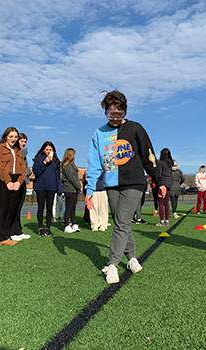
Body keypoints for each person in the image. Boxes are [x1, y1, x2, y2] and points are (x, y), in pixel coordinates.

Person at [85, 90, 166, 284]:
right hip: (111, 184)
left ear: (125, 112)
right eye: (111, 114)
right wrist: (89, 189)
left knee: (121, 222)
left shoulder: (136, 129)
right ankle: (131, 259)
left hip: (135, 183)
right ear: (105, 112)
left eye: (119, 114)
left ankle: (112, 264)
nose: (115, 118)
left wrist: (159, 181)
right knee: (122, 223)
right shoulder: (99, 133)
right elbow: (94, 162)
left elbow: (149, 157)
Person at [0, 127, 26, 246]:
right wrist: (8, 181)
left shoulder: (18, 151)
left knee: (12, 209)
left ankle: (6, 236)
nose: (13, 139)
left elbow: (23, 169)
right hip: (3, 181)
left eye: (15, 137)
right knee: (2, 209)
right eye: (11, 136)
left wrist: (19, 182)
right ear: (6, 136)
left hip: (16, 181)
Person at [32, 141, 63, 237]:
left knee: (50, 208)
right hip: (40, 187)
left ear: (53, 150)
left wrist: (59, 189)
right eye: (47, 149)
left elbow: (58, 176)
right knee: (40, 208)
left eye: (50, 150)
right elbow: (36, 171)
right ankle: (40, 228)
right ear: (43, 150)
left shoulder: (56, 161)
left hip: (51, 187)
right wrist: (44, 162)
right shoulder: (39, 159)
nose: (48, 151)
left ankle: (48, 228)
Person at [10, 133, 32, 240]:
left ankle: (18, 231)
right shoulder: (16, 152)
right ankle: (12, 232)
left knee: (18, 208)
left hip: (22, 182)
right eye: (22, 141)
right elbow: (20, 167)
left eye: (25, 142)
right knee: (13, 208)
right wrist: (28, 171)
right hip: (15, 182)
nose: (24, 143)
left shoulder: (23, 153)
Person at [61, 148, 81, 233]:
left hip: (74, 190)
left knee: (73, 208)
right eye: (74, 154)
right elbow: (72, 178)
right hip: (70, 189)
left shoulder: (71, 165)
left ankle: (74, 224)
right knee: (69, 208)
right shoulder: (67, 166)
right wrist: (79, 186)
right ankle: (66, 225)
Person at [156, 148, 173, 227]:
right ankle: (167, 221)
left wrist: (160, 184)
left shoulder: (161, 163)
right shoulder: (170, 164)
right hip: (169, 184)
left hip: (162, 184)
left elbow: (158, 174)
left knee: (161, 203)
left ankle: (162, 221)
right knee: (166, 203)